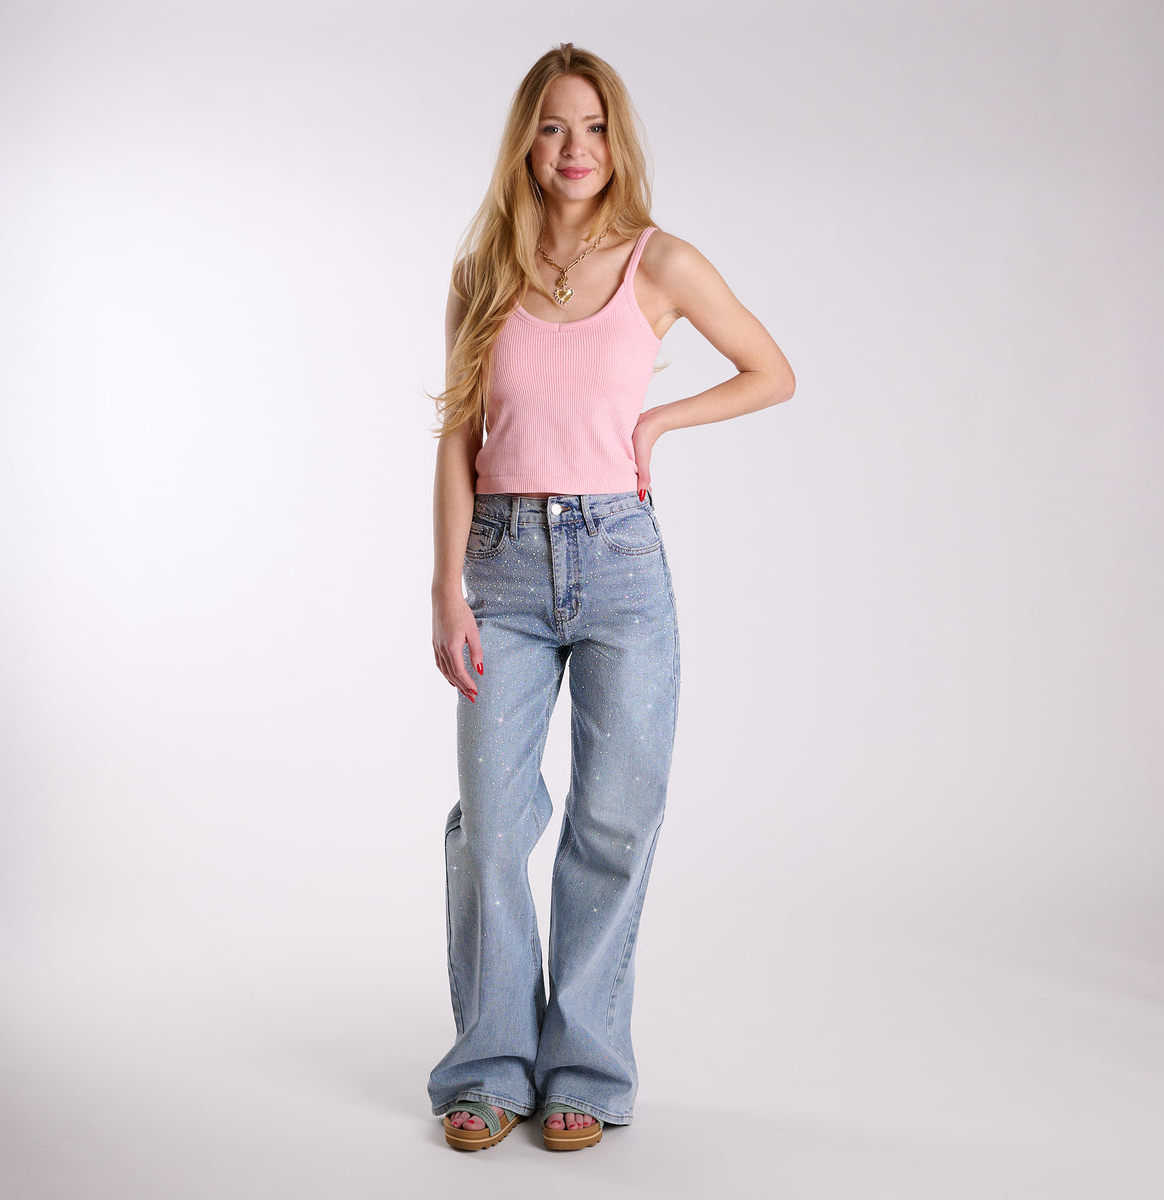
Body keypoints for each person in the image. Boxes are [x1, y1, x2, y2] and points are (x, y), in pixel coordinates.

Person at [427, 43, 795, 1152]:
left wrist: (658, 422)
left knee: (614, 822)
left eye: (591, 126)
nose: (573, 147)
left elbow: (772, 371)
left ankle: (584, 1070)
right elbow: (456, 439)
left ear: (616, 139)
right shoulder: (483, 271)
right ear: (526, 142)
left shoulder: (661, 262)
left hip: (621, 564)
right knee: (492, 827)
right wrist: (445, 585)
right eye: (552, 126)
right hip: (501, 566)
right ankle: (489, 1067)